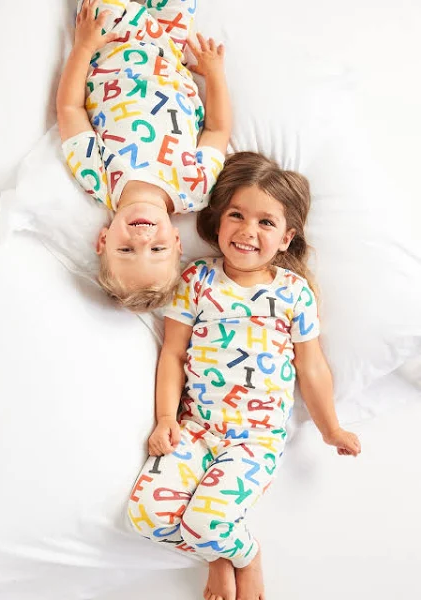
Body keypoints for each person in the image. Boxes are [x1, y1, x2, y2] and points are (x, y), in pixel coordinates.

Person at [127, 152, 361, 600]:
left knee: (204, 523)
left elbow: (311, 365)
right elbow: (173, 353)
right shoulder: (196, 279)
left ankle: (241, 554)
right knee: (146, 518)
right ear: (218, 221)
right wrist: (165, 418)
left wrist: (331, 428)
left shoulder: (293, 293)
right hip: (195, 429)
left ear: (286, 238)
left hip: (255, 440)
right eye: (236, 215)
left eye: (265, 222)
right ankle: (227, 552)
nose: (247, 230)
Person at [56, 0, 231, 311]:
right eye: (158, 249)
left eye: (125, 250)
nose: (142, 239)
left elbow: (70, 109)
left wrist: (83, 47)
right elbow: (217, 130)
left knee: (100, 8)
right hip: (169, 44)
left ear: (103, 240)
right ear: (177, 242)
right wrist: (215, 74)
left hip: (112, 40)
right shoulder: (196, 189)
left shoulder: (96, 178)